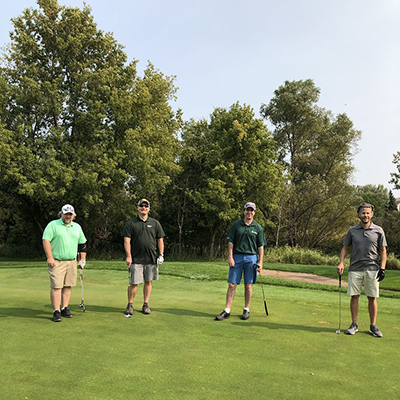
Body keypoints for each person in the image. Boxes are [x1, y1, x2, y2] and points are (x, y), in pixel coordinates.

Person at [337, 203, 387, 337]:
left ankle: (373, 326)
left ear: (372, 214)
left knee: (372, 297)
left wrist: (382, 269)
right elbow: (345, 248)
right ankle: (354, 324)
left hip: (372, 268)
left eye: (368, 213)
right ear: (359, 215)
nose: (365, 215)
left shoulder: (378, 230)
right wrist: (341, 262)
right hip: (355, 268)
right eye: (363, 213)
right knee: (355, 296)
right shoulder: (352, 231)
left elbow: (383, 251)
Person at [215, 202, 266, 321]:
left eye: (251, 210)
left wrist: (261, 261)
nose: (249, 212)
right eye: (247, 210)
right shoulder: (237, 225)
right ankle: (227, 310)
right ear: (244, 211)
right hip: (237, 256)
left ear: (254, 212)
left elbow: (260, 246)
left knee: (248, 285)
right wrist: (230, 256)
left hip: (251, 257)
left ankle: (246, 309)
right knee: (232, 284)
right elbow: (230, 242)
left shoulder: (257, 227)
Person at [42, 204, 87, 322]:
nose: (68, 216)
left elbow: (82, 244)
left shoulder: (77, 227)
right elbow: (46, 241)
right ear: (61, 214)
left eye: (70, 214)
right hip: (56, 261)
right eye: (66, 214)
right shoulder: (53, 225)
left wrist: (82, 260)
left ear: (73, 215)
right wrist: (49, 257)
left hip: (72, 261)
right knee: (56, 286)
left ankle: (64, 308)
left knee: (67, 285)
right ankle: (56, 311)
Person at [122, 198, 165, 316]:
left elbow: (160, 239)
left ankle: (146, 304)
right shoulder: (131, 223)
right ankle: (130, 304)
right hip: (136, 258)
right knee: (134, 283)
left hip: (151, 258)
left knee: (148, 281)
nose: (143, 208)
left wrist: (161, 255)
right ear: (137, 208)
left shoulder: (155, 223)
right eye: (141, 206)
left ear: (149, 209)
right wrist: (128, 256)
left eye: (146, 206)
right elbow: (127, 241)